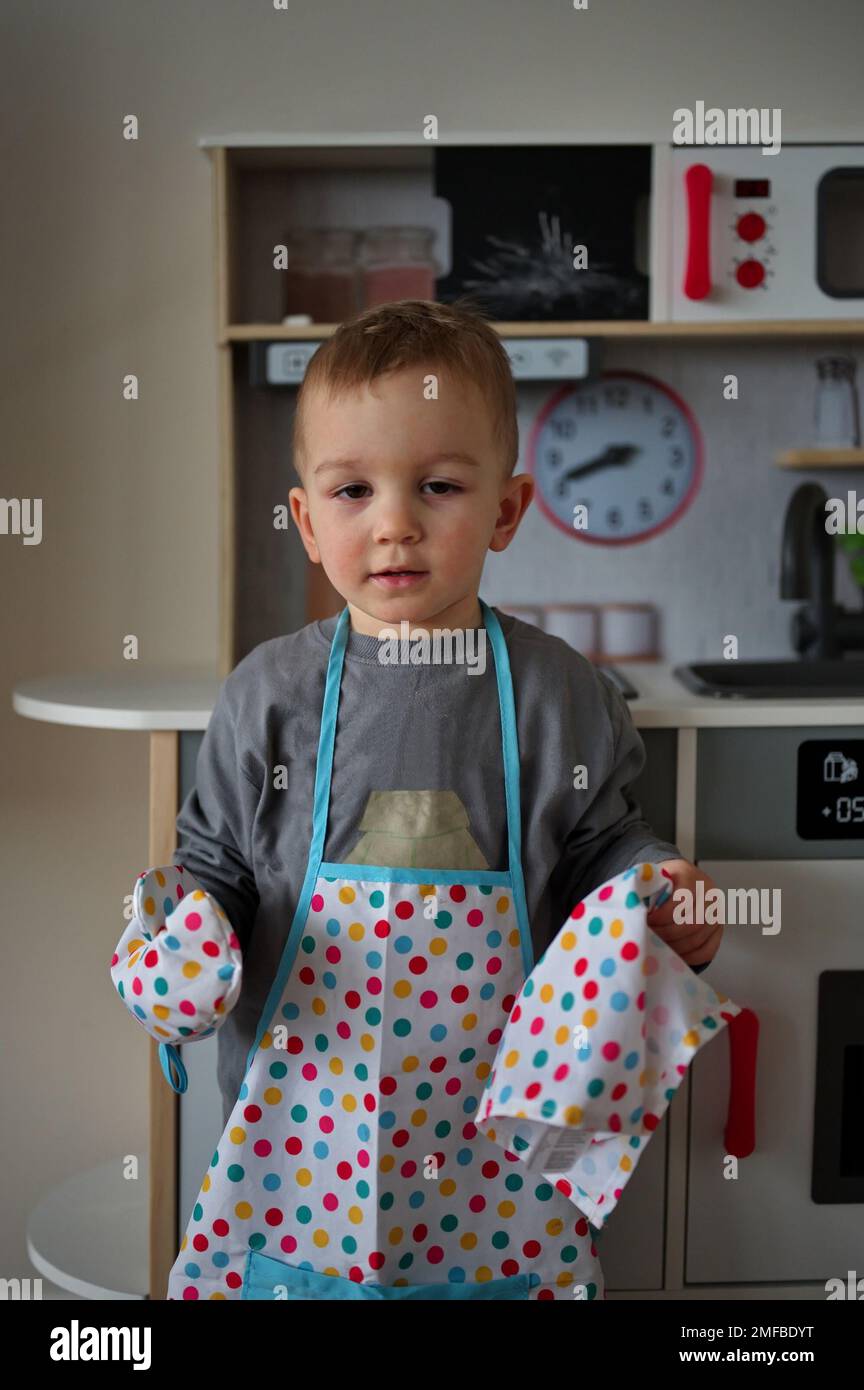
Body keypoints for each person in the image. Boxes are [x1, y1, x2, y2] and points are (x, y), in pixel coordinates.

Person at [115, 299, 726, 1300]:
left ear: (506, 509)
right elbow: (215, 863)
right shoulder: (264, 695)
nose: (394, 521)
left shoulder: (560, 691)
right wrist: (189, 931)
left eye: (438, 485)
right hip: (294, 1158)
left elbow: (601, 847)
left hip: (497, 1152)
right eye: (353, 489)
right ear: (308, 521)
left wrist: (657, 887)